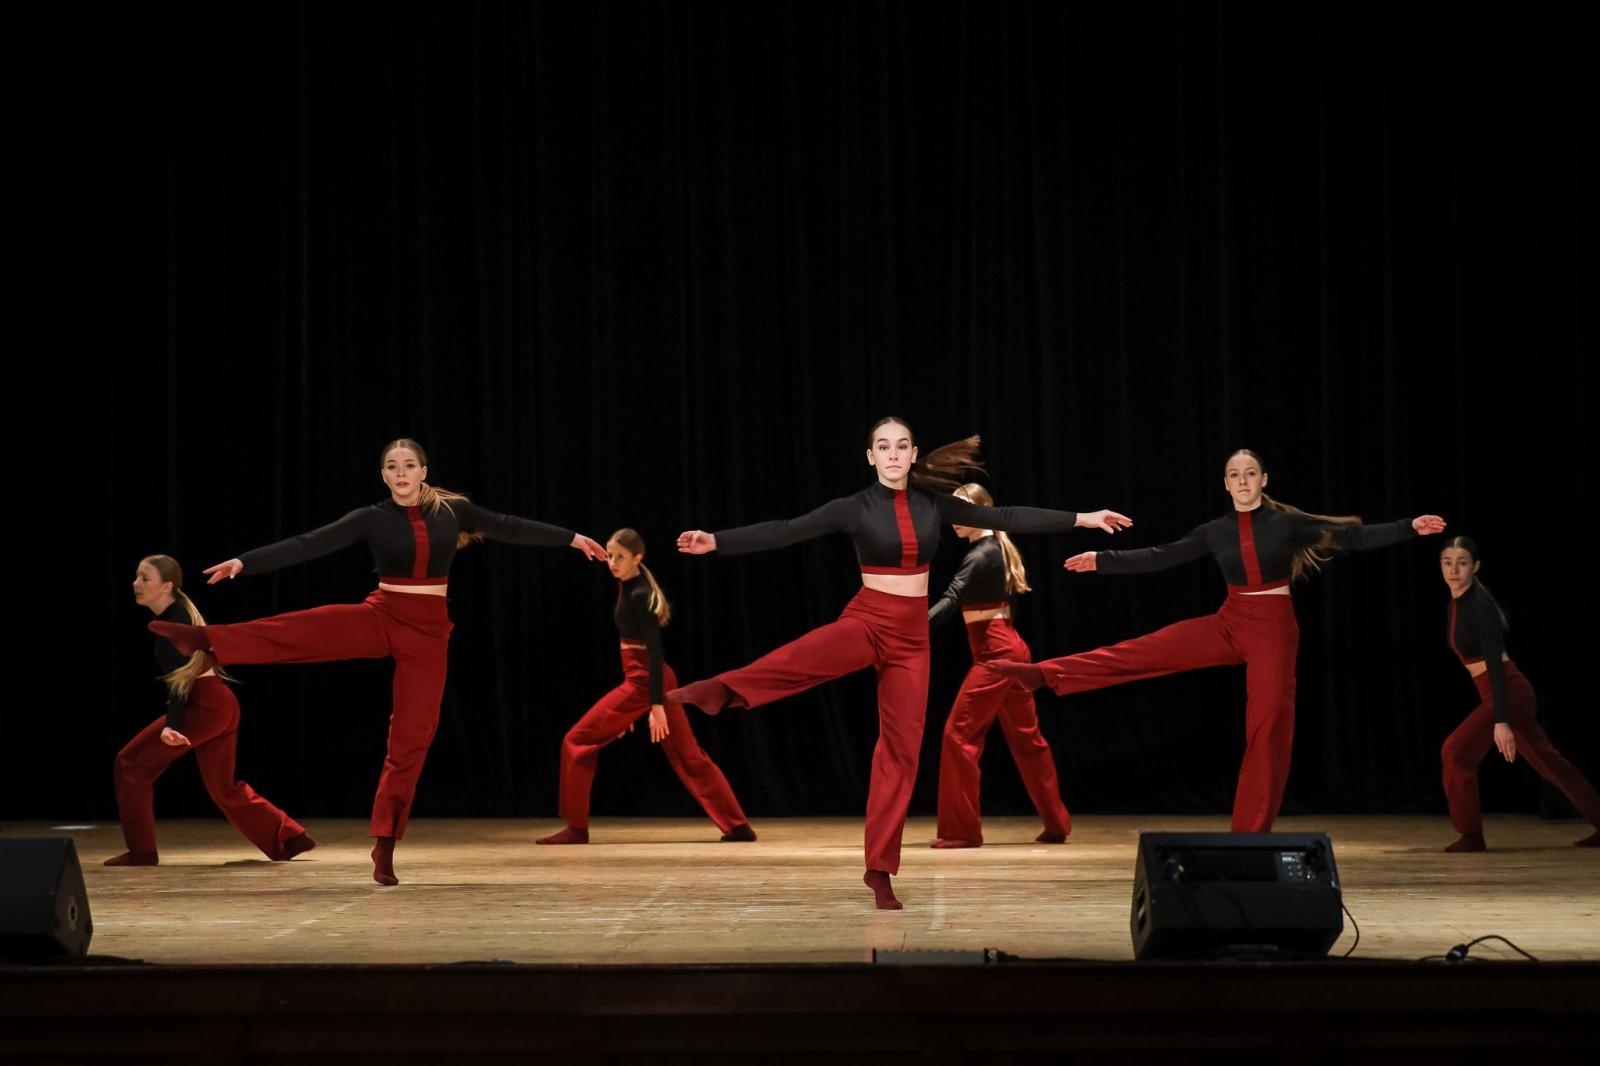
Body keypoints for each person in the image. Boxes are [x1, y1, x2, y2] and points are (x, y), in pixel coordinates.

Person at [672, 417, 1130, 908]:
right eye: (883, 447)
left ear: (914, 454)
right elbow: (788, 531)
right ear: (870, 457)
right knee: (805, 656)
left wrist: (1082, 518)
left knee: (901, 751)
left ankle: (879, 868)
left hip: (913, 640)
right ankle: (722, 690)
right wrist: (717, 541)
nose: (893, 454)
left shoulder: (934, 504)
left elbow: (1010, 517)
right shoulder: (853, 507)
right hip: (869, 619)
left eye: (902, 446)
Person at [151, 438, 607, 884]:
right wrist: (244, 563)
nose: (401, 473)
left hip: (428, 634)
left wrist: (571, 538)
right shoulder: (371, 518)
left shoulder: (455, 511)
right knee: (308, 627)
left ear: (424, 471)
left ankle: (385, 843)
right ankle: (205, 640)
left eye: (409, 465)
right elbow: (310, 542)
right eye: (392, 466)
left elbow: (510, 525)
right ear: (383, 474)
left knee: (412, 736)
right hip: (384, 613)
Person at [990, 449, 1445, 832]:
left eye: (1250, 474)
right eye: (1234, 475)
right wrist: (1102, 560)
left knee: (1267, 729)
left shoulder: (1288, 523)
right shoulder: (1216, 530)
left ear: (1264, 480)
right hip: (1231, 620)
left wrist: (1409, 527)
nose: (1243, 481)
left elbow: (1352, 536)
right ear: (1225, 484)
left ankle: (1249, 836)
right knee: (1147, 648)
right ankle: (1042, 675)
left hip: (1273, 630)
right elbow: (1161, 555)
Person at [536, 528, 755, 846]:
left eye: (620, 557)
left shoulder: (640, 595)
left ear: (637, 559)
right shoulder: (630, 585)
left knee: (576, 740)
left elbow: (654, 653)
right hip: (649, 681)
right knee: (688, 755)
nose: (613, 562)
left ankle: (576, 828)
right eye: (611, 556)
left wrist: (654, 707)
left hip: (647, 681)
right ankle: (737, 826)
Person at [108, 554, 313, 866]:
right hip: (221, 704)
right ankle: (290, 838)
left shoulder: (173, 626)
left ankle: (142, 851)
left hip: (203, 706)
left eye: (144, 578)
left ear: (167, 586)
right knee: (224, 788)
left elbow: (181, 683)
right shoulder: (178, 619)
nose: (136, 584)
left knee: (129, 764)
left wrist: (172, 725)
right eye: (136, 576)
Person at [927, 484, 1072, 849]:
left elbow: (952, 596)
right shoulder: (998, 549)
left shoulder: (982, 553)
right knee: (1028, 741)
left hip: (996, 656)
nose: (951, 519)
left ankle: (961, 831)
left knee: (958, 735)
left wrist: (912, 627)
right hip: (1010, 649)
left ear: (978, 511)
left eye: (958, 510)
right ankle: (1057, 823)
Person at [1436, 535, 1600, 851]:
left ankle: (1471, 835)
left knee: (1454, 750)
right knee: (1552, 764)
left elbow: (1496, 666)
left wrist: (1501, 720)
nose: (1454, 569)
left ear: (1475, 566)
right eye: (1447, 562)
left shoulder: (1480, 605)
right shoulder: (1457, 603)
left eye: (1462, 562)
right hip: (1500, 693)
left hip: (1508, 691)